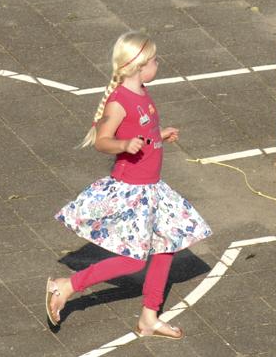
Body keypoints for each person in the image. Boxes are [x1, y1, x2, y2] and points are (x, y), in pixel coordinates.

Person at [46, 32, 211, 338]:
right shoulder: (120, 100)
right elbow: (102, 141)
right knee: (133, 259)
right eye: (154, 60)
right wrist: (124, 143)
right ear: (139, 66)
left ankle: (149, 316)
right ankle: (66, 286)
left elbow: (142, 130)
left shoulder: (142, 92)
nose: (158, 64)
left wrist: (157, 137)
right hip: (133, 192)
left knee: (166, 246)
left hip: (152, 189)